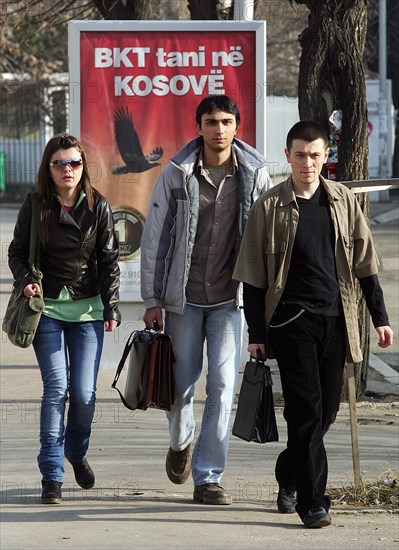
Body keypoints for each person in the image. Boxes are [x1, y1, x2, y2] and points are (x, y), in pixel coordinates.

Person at [233, 120, 393, 528]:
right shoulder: (269, 206)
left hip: (335, 318)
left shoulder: (342, 201)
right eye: (300, 154)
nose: (308, 162)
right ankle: (313, 501)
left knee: (326, 414)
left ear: (326, 157)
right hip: (290, 321)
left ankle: (288, 472)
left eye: (315, 155)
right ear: (287, 156)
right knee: (304, 412)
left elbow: (365, 265)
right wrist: (256, 334)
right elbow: (253, 277)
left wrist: (380, 319)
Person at [140, 95, 271, 505]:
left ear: (237, 126)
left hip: (230, 301)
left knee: (223, 384)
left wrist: (263, 303)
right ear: (198, 126)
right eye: (211, 121)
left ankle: (208, 476)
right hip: (183, 299)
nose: (219, 129)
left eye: (226, 121)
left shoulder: (255, 174)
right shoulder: (178, 173)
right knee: (180, 386)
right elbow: (156, 238)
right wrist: (152, 298)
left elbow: (266, 240)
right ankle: (181, 442)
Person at [8, 134, 121, 505]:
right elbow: (17, 252)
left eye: (74, 162)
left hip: (88, 311)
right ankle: (51, 475)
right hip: (48, 311)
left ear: (83, 166)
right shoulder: (35, 205)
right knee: (56, 389)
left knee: (85, 394)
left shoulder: (98, 206)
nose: (68, 170)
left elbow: (108, 261)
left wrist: (112, 306)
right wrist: (26, 281)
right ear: (49, 167)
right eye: (60, 163)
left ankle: (75, 450)